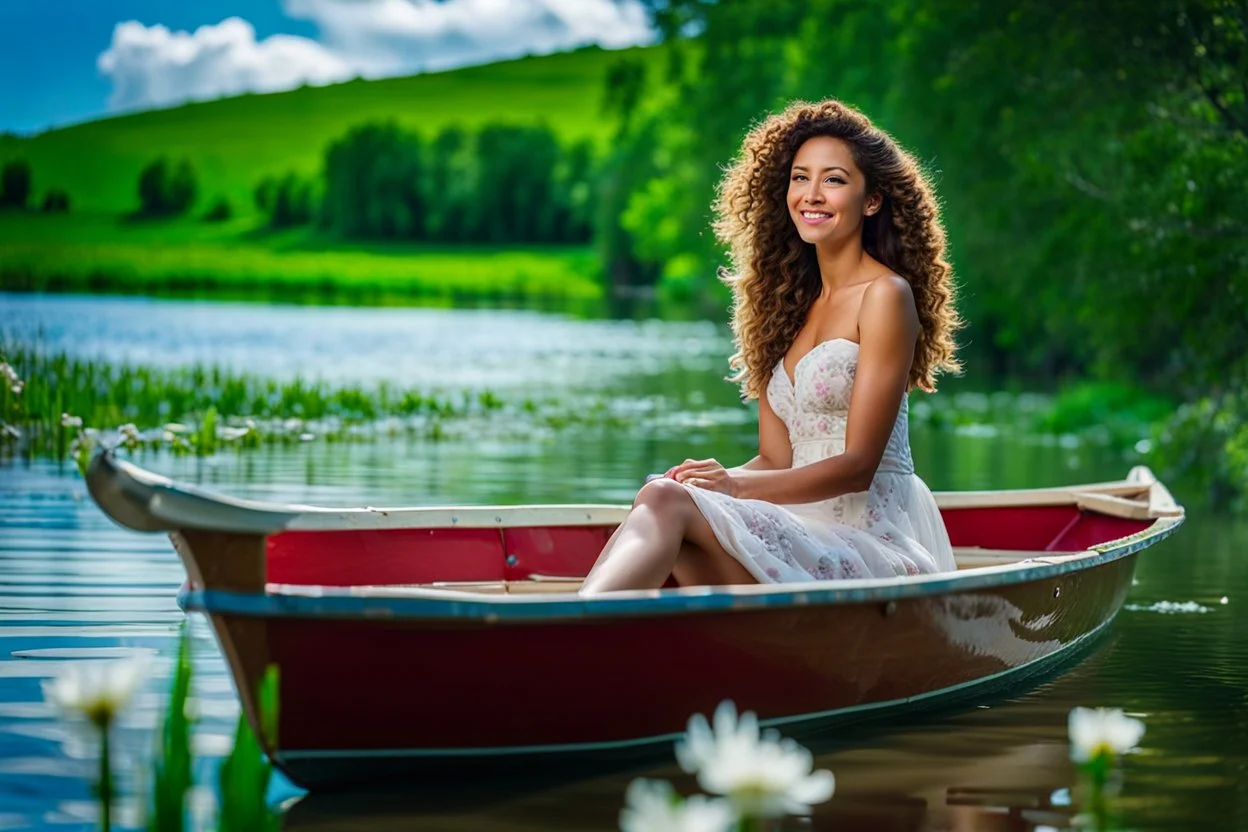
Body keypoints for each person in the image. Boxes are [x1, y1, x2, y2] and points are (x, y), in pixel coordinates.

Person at [578, 99, 963, 596]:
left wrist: (735, 488)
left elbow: (858, 466)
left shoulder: (886, 296)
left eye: (834, 180)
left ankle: (568, 635)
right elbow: (776, 459)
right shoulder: (786, 311)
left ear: (872, 200)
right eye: (800, 178)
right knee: (665, 492)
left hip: (863, 541)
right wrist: (711, 479)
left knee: (665, 502)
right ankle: (588, 641)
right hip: (792, 530)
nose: (812, 194)